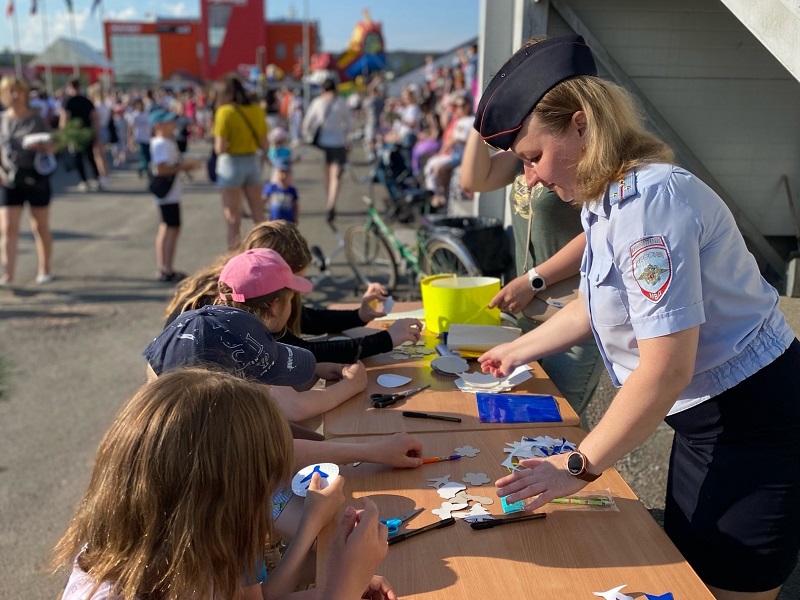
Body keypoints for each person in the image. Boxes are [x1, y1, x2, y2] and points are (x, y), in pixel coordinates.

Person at [475, 35, 800, 600]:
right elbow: (600, 305)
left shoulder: (650, 205)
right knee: (687, 569)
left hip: (755, 421)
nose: (528, 177)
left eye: (532, 156)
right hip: (706, 422)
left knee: (727, 587)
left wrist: (575, 466)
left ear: (582, 125)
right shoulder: (609, 198)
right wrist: (516, 351)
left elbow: (665, 369)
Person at [53, 368, 398, 600]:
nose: (271, 496)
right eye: (265, 484)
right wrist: (342, 587)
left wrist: (338, 579)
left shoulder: (203, 545)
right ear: (219, 497)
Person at [145, 304, 425, 472]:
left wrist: (346, 447)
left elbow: (277, 437)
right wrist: (370, 451)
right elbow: (280, 452)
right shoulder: (209, 456)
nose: (275, 388)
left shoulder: (190, 420)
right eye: (267, 380)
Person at [461, 125, 603, 423]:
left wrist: (533, 279)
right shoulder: (523, 152)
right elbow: (473, 179)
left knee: (558, 420)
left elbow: (599, 231)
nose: (530, 173)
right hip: (532, 310)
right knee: (532, 416)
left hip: (574, 314)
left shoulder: (576, 152)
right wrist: (482, 119)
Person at [162, 220, 423, 362]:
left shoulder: (240, 285)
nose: (296, 298)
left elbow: (303, 317)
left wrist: (360, 315)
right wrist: (387, 339)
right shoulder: (240, 315)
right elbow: (308, 352)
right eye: (294, 286)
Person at [214, 249, 371, 421]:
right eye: (290, 300)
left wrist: (316, 368)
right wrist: (352, 385)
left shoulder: (227, 327)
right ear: (275, 307)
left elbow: (281, 402)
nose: (292, 306)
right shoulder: (252, 345)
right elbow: (295, 407)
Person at [0, 76, 55, 285]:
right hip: (9, 178)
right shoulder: (2, 119)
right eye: (9, 91)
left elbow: (52, 146)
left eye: (18, 91)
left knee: (39, 226)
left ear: (25, 93)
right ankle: (9, 273)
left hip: (35, 177)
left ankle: (45, 268)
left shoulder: (36, 119)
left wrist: (42, 147)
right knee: (7, 227)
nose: (14, 95)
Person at [213, 75, 269, 249]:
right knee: (258, 215)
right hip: (252, 161)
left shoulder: (225, 112)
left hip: (230, 164)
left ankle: (234, 258)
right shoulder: (256, 110)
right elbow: (264, 144)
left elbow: (219, 148)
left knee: (233, 218)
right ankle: (265, 250)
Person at [149, 108, 197, 283]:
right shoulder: (161, 143)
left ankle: (165, 266)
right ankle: (165, 268)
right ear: (158, 125)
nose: (173, 125)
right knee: (171, 227)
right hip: (167, 193)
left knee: (169, 227)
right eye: (168, 122)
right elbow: (161, 169)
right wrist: (183, 168)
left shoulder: (164, 142)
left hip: (170, 192)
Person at [302, 78, 353, 223]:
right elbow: (349, 123)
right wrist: (345, 135)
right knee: (336, 177)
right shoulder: (341, 102)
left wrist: (307, 135)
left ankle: (328, 202)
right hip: (338, 143)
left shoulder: (317, 102)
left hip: (322, 144)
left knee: (326, 175)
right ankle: (332, 204)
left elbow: (307, 123)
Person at [60, 78, 101, 192]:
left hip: (75, 133)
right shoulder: (86, 100)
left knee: (78, 158)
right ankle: (96, 179)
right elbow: (95, 117)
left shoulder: (67, 101)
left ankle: (84, 181)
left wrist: (64, 134)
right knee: (90, 156)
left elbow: (64, 119)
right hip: (87, 131)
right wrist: (96, 131)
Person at [262, 158, 299, 223]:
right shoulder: (271, 187)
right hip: (274, 220)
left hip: (288, 221)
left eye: (285, 172)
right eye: (281, 172)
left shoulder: (291, 189)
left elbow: (295, 204)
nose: (283, 175)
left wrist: (295, 217)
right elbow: (263, 200)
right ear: (276, 172)